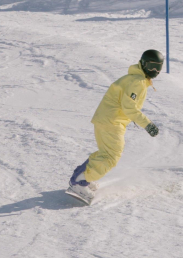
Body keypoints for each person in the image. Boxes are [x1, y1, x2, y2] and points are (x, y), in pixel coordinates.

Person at [68, 50, 163, 203]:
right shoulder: (137, 82)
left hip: (106, 119)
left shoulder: (134, 78)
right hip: (112, 121)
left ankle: (82, 177)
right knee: (111, 156)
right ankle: (80, 181)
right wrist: (148, 125)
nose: (155, 71)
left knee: (105, 153)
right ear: (144, 64)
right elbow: (129, 108)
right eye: (152, 66)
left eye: (158, 67)